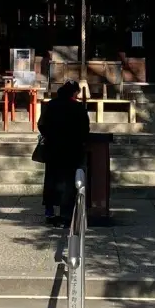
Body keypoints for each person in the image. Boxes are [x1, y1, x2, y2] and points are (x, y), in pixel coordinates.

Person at [38, 80, 90, 224]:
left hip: (53, 147)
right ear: (74, 92)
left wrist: (49, 135)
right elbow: (85, 129)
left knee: (51, 179)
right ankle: (65, 214)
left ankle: (49, 210)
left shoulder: (51, 105)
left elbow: (41, 124)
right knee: (67, 180)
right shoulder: (78, 107)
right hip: (71, 148)